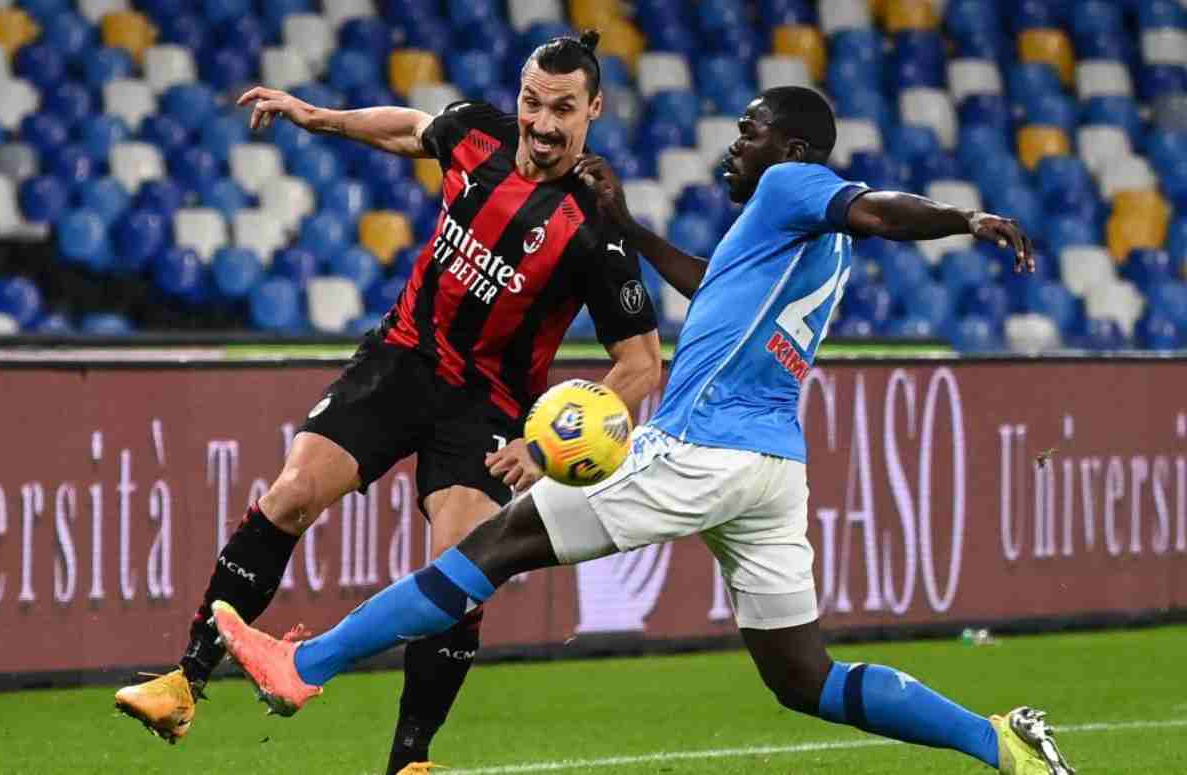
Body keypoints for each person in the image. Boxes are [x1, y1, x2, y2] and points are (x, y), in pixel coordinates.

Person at [208, 86, 1073, 775]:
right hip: (773, 467)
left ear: (794, 151)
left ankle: (306, 666)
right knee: (806, 678)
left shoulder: (793, 187)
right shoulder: (799, 237)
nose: (738, 141)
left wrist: (963, 218)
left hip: (702, 445)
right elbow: (710, 288)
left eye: (752, 128)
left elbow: (881, 209)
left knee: (494, 545)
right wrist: (624, 224)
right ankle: (1000, 741)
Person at [114, 31, 662, 775]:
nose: (541, 122)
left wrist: (548, 447)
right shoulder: (476, 133)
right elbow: (411, 129)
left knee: (459, 567)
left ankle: (410, 761)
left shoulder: (595, 229)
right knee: (291, 494)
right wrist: (317, 115)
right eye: (532, 101)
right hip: (402, 358)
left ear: (593, 108)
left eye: (562, 108)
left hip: (489, 405)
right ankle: (183, 682)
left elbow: (639, 364)